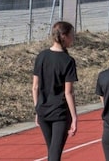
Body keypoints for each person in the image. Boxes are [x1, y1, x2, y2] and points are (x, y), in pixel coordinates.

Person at [32, 21, 79, 161]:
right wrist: (75, 117)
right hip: (60, 113)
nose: (73, 38)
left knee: (52, 151)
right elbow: (68, 92)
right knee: (54, 153)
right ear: (64, 36)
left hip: (43, 111)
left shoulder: (41, 56)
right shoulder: (68, 61)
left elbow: (35, 87)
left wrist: (37, 109)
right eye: (72, 35)